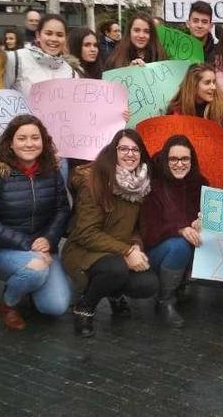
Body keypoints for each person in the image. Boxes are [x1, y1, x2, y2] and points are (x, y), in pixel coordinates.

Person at [63, 129, 158, 337]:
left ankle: (114, 293)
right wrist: (126, 251)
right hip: (83, 251)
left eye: (135, 149)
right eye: (123, 148)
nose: (130, 154)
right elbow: (85, 233)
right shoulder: (95, 183)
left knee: (147, 284)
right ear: (113, 151)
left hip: (117, 251)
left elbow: (135, 228)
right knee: (115, 270)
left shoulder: (140, 185)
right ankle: (84, 307)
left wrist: (135, 247)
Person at [0, 114, 72, 330]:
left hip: (44, 249)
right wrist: (27, 244)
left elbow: (62, 209)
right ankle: (8, 303)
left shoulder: (51, 170)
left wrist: (49, 239)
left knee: (56, 306)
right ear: (10, 143)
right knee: (36, 270)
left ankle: (28, 285)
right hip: (4, 249)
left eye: (35, 137)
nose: (29, 143)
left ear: (44, 141)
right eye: (22, 138)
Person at [139, 135, 208, 328]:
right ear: (165, 159)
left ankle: (181, 284)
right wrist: (179, 229)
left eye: (185, 159)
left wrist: (203, 222)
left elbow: (211, 217)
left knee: (201, 239)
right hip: (156, 250)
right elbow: (148, 230)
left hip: (193, 245)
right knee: (179, 246)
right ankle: (165, 300)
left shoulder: (201, 184)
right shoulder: (154, 185)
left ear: (192, 160)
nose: (179, 164)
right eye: (173, 159)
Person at [5, 14, 76, 97]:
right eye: (48, 33)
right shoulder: (16, 59)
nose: (54, 39)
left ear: (65, 39)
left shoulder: (71, 73)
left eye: (60, 35)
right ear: (38, 35)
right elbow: (0, 94)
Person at [168, 63, 223, 135]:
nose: (213, 87)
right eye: (207, 83)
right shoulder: (176, 112)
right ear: (193, 85)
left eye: (214, 82)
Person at [103, 13, 168, 70]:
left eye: (146, 31)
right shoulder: (115, 58)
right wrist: (129, 73)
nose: (141, 35)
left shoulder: (160, 56)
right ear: (129, 32)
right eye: (137, 30)